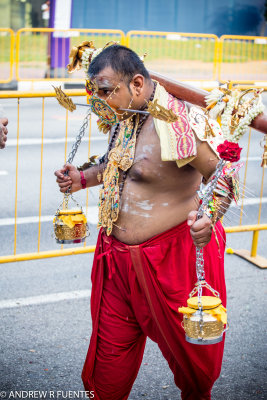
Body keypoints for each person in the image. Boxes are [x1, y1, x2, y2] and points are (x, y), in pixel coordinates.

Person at [55, 45, 230, 400]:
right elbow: (122, 165)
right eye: (95, 92)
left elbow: (223, 172)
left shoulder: (179, 120)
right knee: (106, 373)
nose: (99, 101)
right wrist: (82, 179)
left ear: (136, 83)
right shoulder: (127, 114)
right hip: (116, 266)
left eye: (105, 91)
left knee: (195, 369)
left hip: (171, 263)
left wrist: (210, 216)